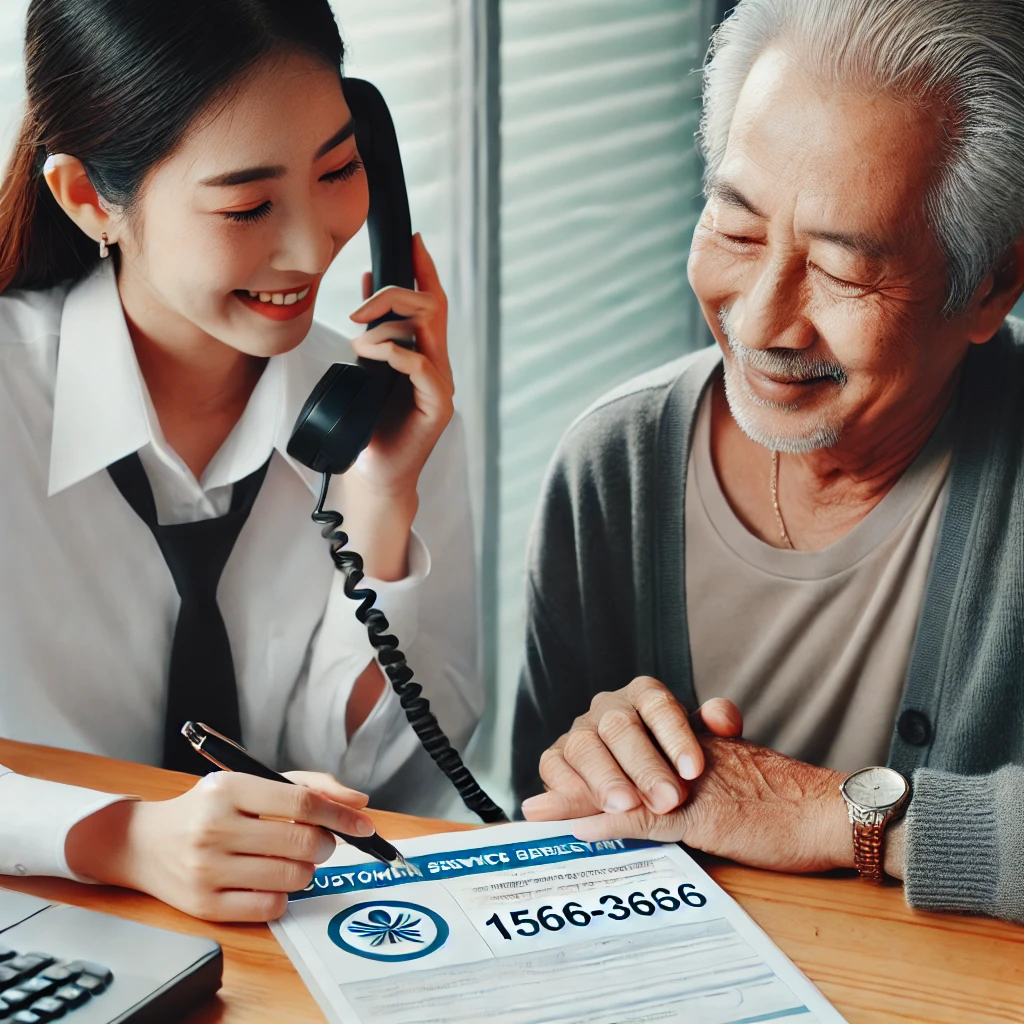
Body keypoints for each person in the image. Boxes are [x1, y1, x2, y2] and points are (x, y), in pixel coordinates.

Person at [513, 0, 1024, 925]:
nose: (756, 324)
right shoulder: (611, 468)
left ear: (987, 285)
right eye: (736, 230)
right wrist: (588, 776)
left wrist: (828, 815)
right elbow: (538, 831)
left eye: (840, 267)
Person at [0, 0, 479, 922]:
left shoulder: (384, 408)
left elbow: (383, 792)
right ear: (91, 199)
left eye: (339, 169)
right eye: (248, 205)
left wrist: (383, 499)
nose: (310, 248)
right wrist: (123, 837)